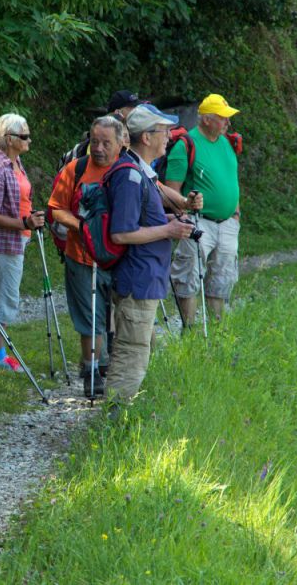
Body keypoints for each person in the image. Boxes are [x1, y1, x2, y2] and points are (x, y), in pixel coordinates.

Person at [105, 105, 194, 408]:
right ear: (146, 137)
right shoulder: (129, 177)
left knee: (141, 350)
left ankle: (129, 418)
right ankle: (115, 424)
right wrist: (168, 230)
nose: (170, 136)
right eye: (164, 130)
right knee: (131, 354)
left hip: (145, 279)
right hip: (137, 280)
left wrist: (176, 216)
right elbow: (121, 233)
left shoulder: (142, 172)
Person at [49, 116, 128, 398]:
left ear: (121, 143)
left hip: (120, 256)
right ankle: (92, 370)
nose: (99, 148)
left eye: (106, 142)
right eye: (94, 141)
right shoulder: (76, 168)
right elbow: (55, 209)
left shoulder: (127, 170)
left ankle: (114, 366)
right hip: (81, 255)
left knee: (120, 314)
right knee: (90, 317)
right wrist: (81, 226)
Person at [164, 93, 242, 325]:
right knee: (188, 276)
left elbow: (232, 180)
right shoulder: (185, 145)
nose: (227, 122)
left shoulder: (227, 143)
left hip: (227, 223)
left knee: (221, 278)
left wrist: (236, 214)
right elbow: (170, 191)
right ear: (206, 119)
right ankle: (190, 329)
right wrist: (184, 214)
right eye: (222, 118)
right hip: (199, 223)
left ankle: (217, 328)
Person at [0, 113, 44, 371]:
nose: (29, 139)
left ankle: (0, 354)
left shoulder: (14, 162)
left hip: (18, 238)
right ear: (9, 139)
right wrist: (24, 224)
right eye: (24, 135)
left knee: (7, 296)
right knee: (1, 299)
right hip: (4, 242)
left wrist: (29, 219)